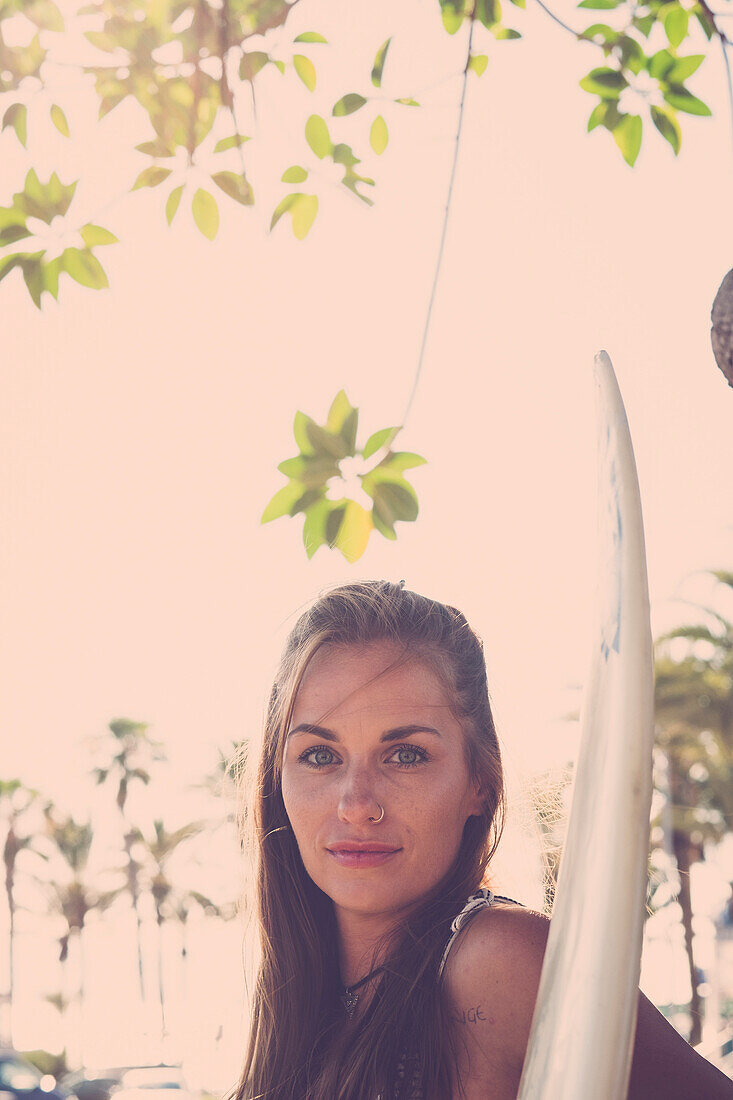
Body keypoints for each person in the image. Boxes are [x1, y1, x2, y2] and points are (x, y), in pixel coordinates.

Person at [227, 580, 733, 1099]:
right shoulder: (300, 1004)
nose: (357, 804)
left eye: (405, 755)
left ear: (479, 783)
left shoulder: (500, 962)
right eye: (319, 755)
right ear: (276, 778)